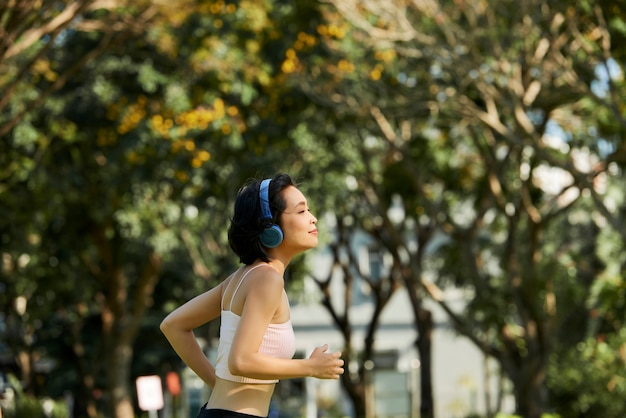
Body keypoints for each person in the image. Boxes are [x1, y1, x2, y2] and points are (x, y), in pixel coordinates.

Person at [160, 173, 344, 418]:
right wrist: (309, 367)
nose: (313, 218)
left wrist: (218, 384)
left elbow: (173, 325)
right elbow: (241, 361)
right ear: (271, 227)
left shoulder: (240, 278)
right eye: (301, 212)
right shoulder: (267, 279)